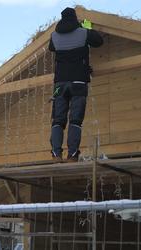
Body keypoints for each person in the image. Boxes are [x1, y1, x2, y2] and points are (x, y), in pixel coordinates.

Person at [49, 7, 103, 163]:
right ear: (75, 18)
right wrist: (86, 27)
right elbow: (99, 41)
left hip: (60, 84)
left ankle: (56, 155)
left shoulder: (55, 36)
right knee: (75, 120)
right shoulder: (83, 32)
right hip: (78, 81)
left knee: (58, 120)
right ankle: (72, 155)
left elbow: (51, 48)